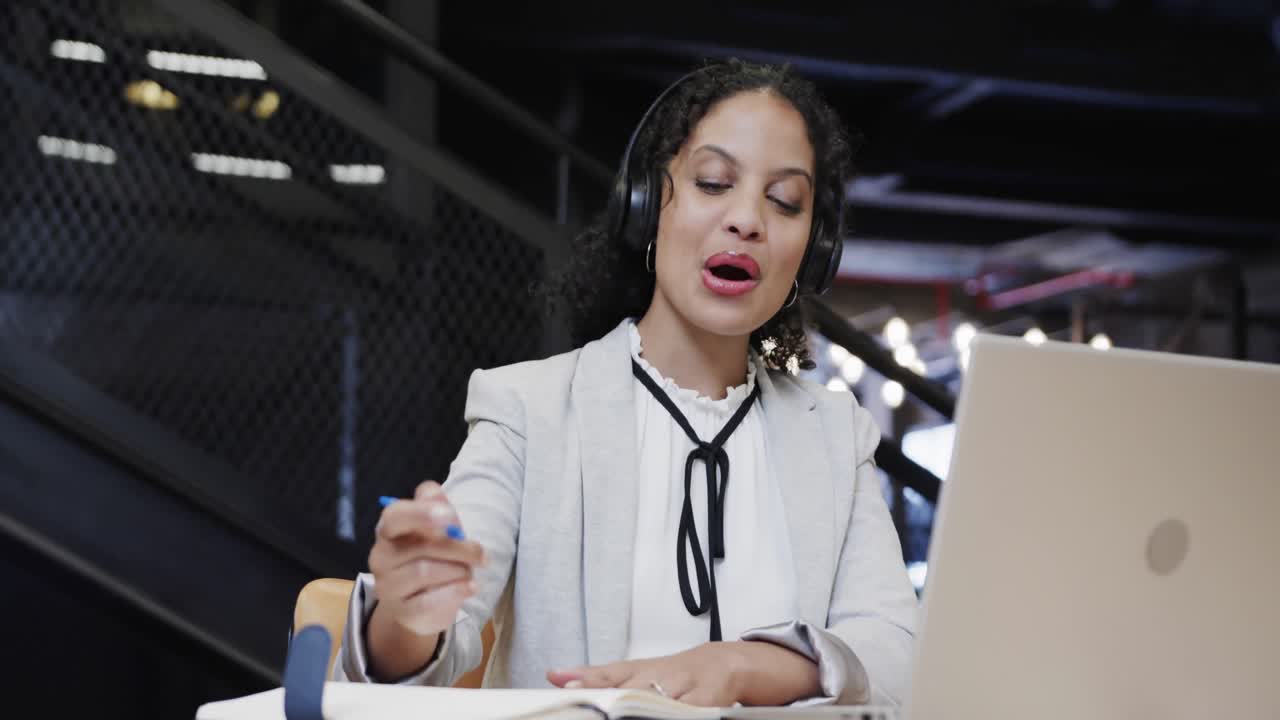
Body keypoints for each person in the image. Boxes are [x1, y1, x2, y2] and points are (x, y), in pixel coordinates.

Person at [332, 58, 917, 708]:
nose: (747, 220)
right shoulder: (529, 409)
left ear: (813, 248)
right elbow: (430, 651)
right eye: (714, 182)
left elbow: (897, 655)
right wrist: (409, 615)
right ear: (645, 205)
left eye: (784, 201)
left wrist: (747, 666)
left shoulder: (838, 435)